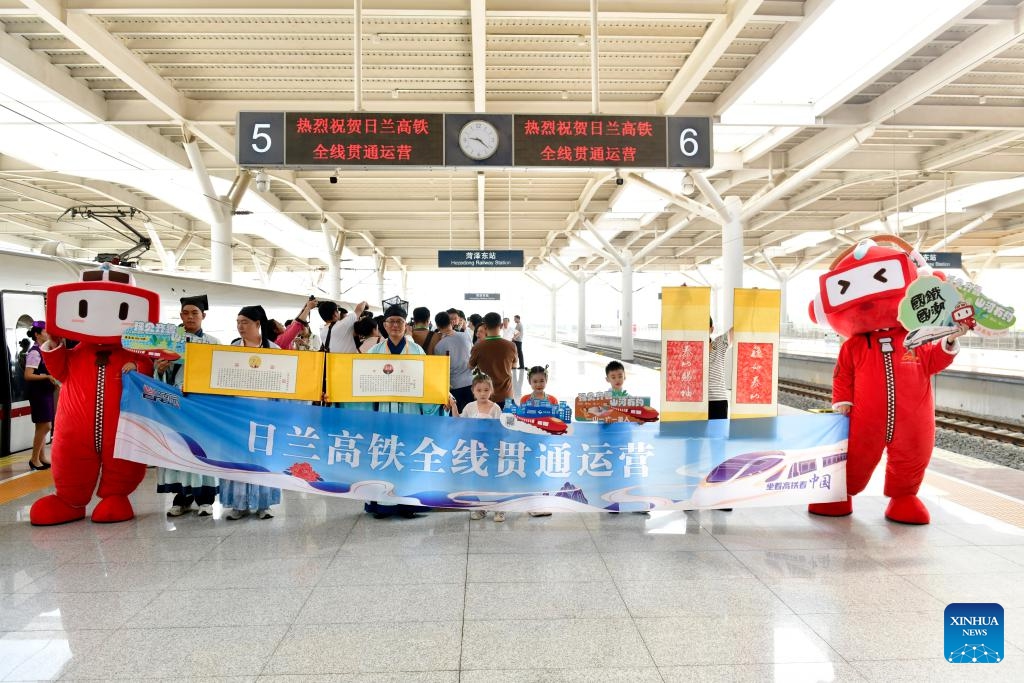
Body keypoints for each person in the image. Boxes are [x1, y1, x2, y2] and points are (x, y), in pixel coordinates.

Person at [351, 301, 456, 518]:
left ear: (405, 324)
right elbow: (360, 384)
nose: (395, 326)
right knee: (383, 455)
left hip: (409, 413)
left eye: (399, 321)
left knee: (407, 456)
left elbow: (428, 381)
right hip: (384, 414)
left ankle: (409, 504)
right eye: (391, 322)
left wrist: (442, 396)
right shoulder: (374, 353)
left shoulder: (416, 350)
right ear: (384, 326)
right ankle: (382, 504)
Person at [155, 295, 221, 516]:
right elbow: (158, 377)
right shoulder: (168, 343)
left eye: (195, 313)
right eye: (186, 313)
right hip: (177, 406)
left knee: (202, 449)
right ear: (181, 316)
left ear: (204, 316)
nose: (190, 317)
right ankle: (182, 497)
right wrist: (161, 370)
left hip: (202, 406)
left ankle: (206, 499)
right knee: (179, 449)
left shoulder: (213, 343)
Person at [222, 305, 282, 520]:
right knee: (236, 457)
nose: (240, 327)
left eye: (245, 322)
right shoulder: (231, 350)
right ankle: (238, 504)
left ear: (258, 324)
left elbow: (284, 385)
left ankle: (263, 504)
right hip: (237, 414)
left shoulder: (274, 351)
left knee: (263, 458)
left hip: (265, 414)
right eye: (238, 322)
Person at [461, 375, 506, 523]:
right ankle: (481, 507)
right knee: (478, 480)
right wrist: (453, 407)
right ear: (473, 391)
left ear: (491, 390)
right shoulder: (469, 407)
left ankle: (500, 509)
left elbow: (501, 430)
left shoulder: (495, 408)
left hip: (492, 449)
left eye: (486, 390)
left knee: (494, 480)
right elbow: (459, 423)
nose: (482, 393)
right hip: (475, 450)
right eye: (479, 390)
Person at [23, 322, 56, 471]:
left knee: (41, 426)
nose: (48, 333)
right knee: (46, 426)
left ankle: (41, 457)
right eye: (45, 331)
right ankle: (34, 459)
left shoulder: (44, 350)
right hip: (38, 394)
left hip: (45, 392)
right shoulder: (35, 352)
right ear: (37, 334)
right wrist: (47, 376)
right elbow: (28, 375)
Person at [468, 312, 517, 408]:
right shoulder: (511, 346)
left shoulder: (478, 347)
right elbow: (514, 366)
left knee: (485, 421)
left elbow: (470, 366)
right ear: (502, 325)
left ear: (485, 326)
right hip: (506, 394)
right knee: (506, 422)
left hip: (485, 396)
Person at [433, 310, 474, 413]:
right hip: (471, 383)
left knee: (456, 417)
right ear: (450, 322)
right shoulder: (466, 336)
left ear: (437, 326)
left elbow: (441, 370)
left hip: (454, 386)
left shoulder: (439, 346)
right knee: (471, 415)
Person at [708, 318, 734, 420]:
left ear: (711, 329)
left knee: (718, 435)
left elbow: (739, 328)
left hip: (718, 401)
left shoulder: (719, 343)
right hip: (696, 402)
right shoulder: (689, 349)